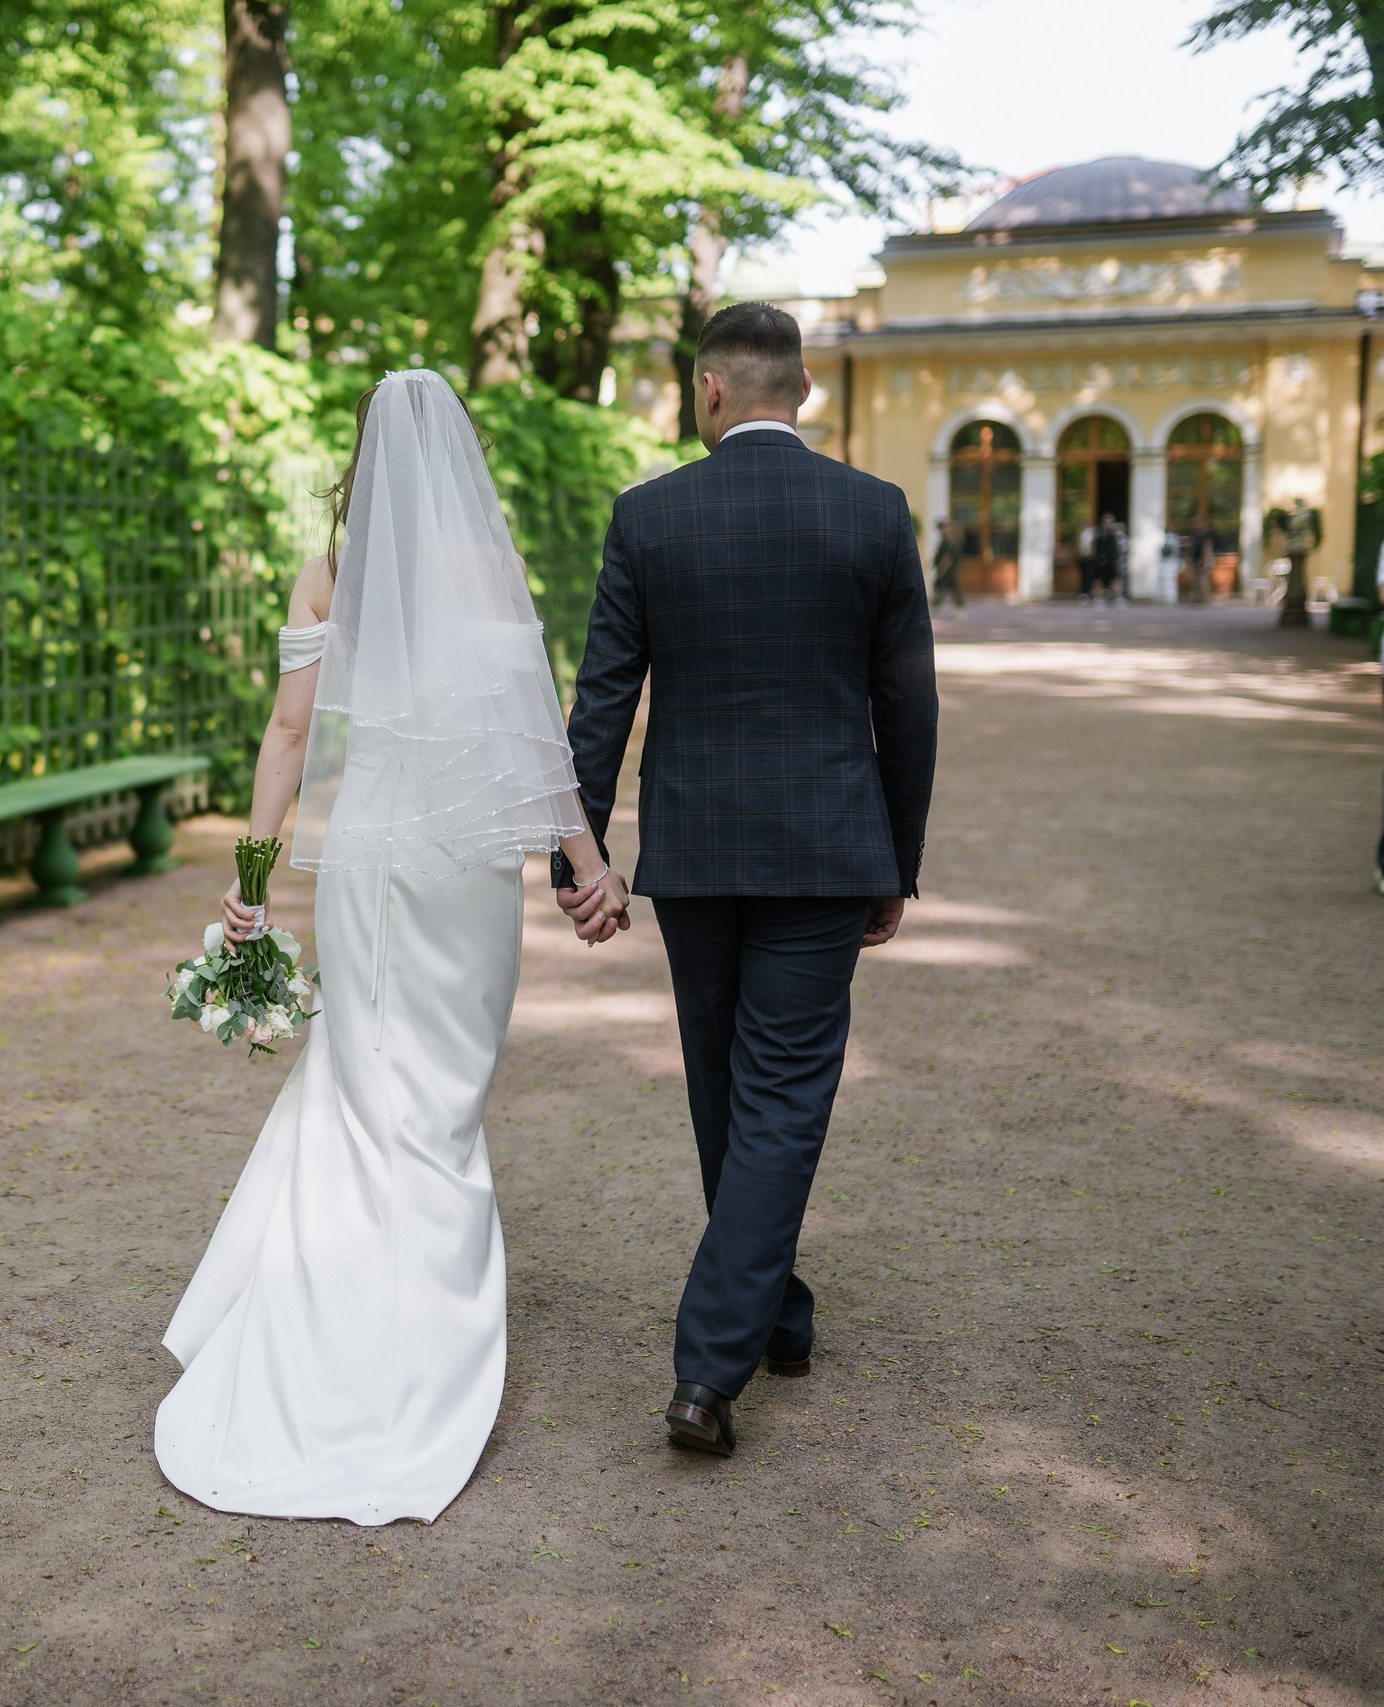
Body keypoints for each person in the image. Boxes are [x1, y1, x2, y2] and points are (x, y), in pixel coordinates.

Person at [154, 368, 628, 1526]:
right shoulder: (484, 562)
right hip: (471, 864)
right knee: (444, 1097)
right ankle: (417, 1333)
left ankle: (339, 1313)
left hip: (371, 853)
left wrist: (251, 880)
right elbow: (535, 725)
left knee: (365, 1084)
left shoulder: (329, 570)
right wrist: (583, 859)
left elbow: (288, 732)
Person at [555, 302, 938, 1458]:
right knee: (771, 1098)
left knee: (728, 1087)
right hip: (826, 847)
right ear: (802, 392)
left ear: (709, 391)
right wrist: (895, 861)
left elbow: (601, 701)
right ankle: (728, 1352)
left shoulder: (648, 516)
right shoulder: (872, 513)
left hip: (697, 852)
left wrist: (578, 854)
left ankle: (738, 1337)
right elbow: (907, 707)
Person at [930, 518, 965, 610]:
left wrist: (942, 568)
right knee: (941, 588)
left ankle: (960, 607)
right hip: (945, 570)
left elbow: (948, 558)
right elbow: (940, 555)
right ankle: (934, 606)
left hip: (950, 571)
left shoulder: (953, 542)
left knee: (950, 588)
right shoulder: (944, 541)